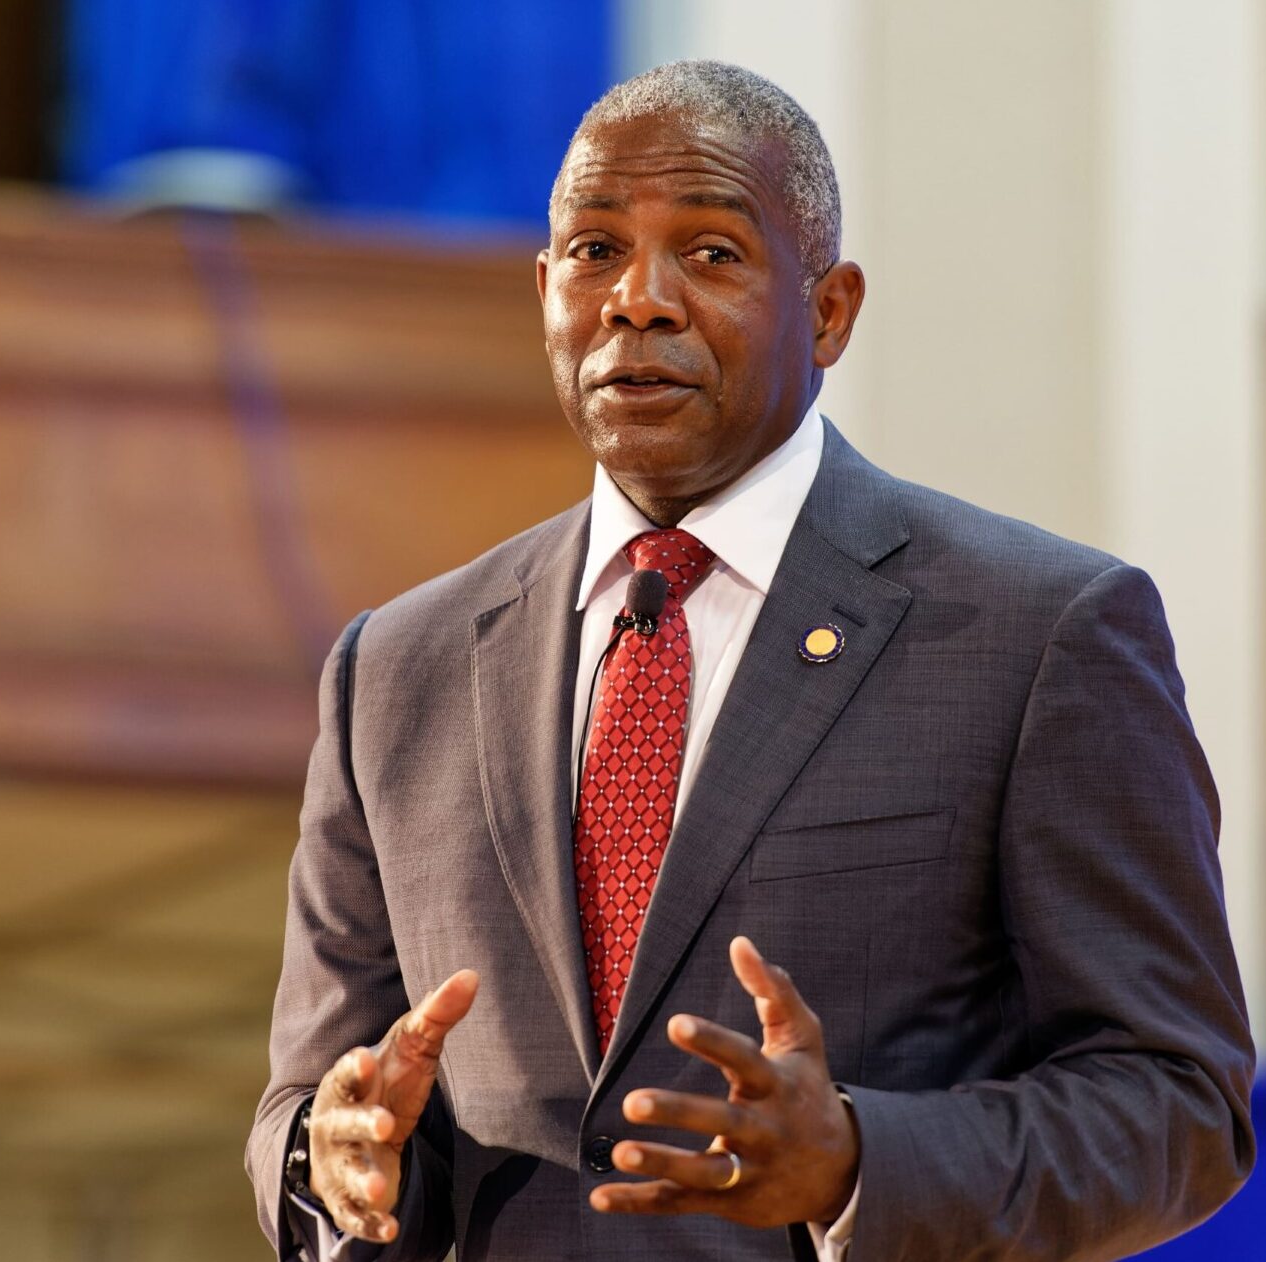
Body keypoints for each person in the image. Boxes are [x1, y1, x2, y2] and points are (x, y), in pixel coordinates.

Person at [246, 60, 1256, 1261]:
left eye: (712, 252)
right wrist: (330, 1157)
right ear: (547, 292)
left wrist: (861, 1161)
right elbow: (307, 1097)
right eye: (595, 251)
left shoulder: (1042, 632)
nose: (639, 301)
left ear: (829, 311)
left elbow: (1178, 1102)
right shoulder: (394, 670)